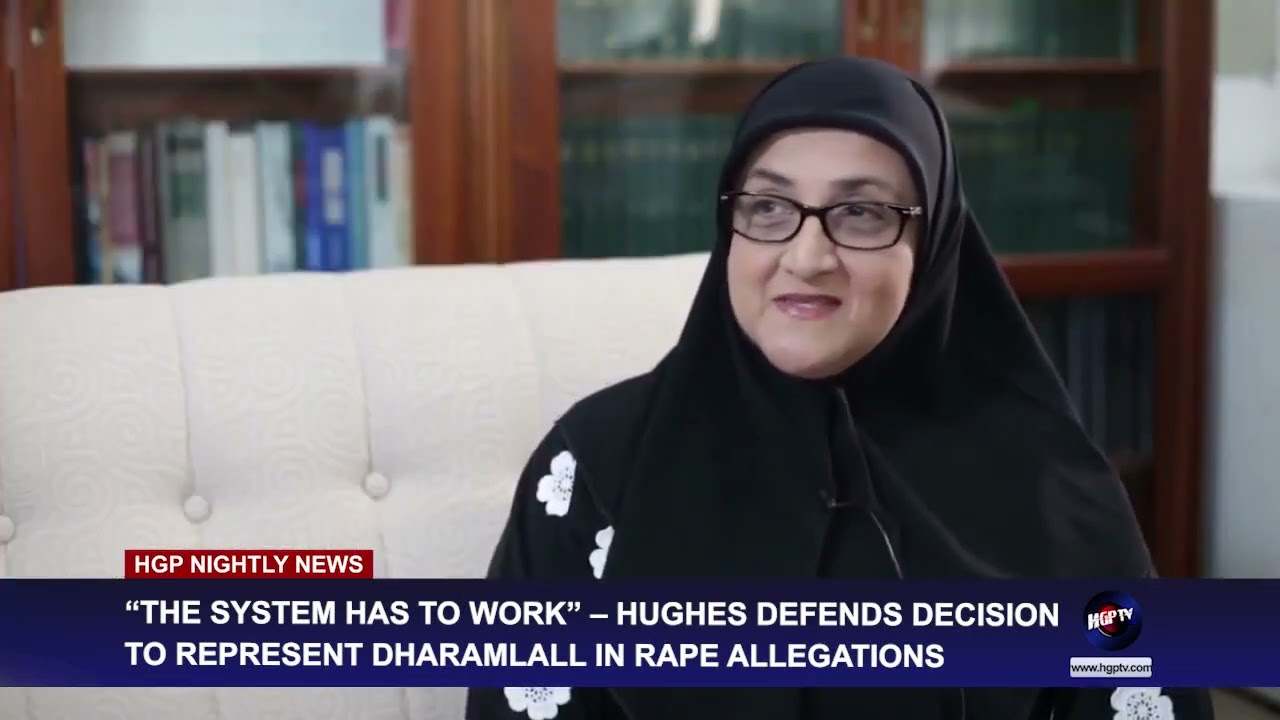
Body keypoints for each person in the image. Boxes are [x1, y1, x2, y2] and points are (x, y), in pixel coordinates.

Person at [466, 57, 1215, 719]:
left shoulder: (1050, 487)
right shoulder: (595, 471)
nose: (807, 256)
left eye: (860, 214)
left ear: (933, 244)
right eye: (768, 208)